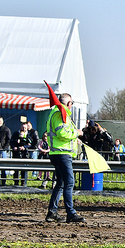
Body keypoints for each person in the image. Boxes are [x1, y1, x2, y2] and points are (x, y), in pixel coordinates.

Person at [45, 92, 85, 223]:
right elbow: (62, 133)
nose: (72, 105)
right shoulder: (60, 114)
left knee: (61, 183)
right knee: (69, 182)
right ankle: (70, 213)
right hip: (62, 154)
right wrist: (77, 133)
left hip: (58, 153)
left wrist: (75, 139)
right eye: (72, 103)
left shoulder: (58, 113)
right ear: (68, 103)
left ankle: (52, 212)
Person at [0, 116, 11, 186]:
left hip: (3, 150)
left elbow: (8, 140)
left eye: (0, 121)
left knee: (3, 166)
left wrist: (5, 148)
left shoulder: (6, 129)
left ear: (2, 121)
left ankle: (3, 182)